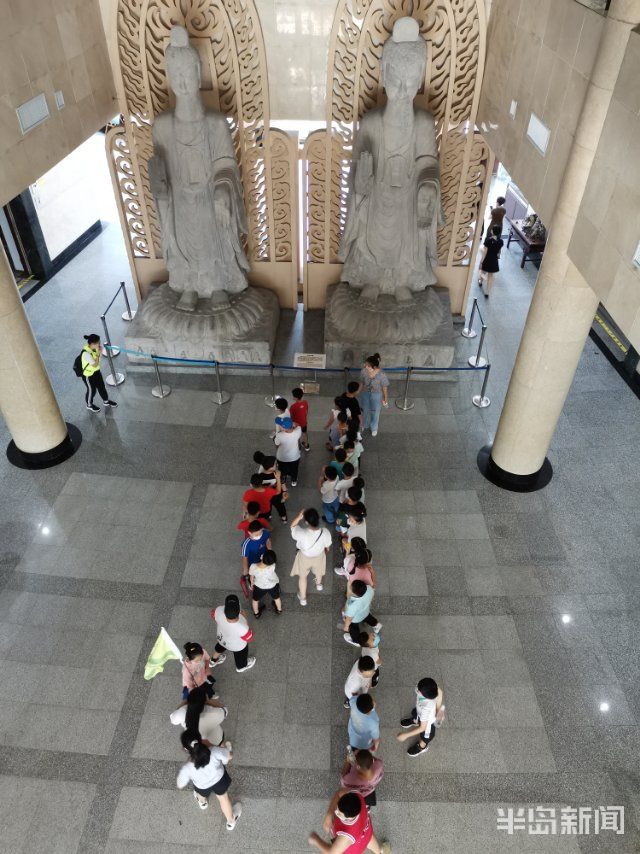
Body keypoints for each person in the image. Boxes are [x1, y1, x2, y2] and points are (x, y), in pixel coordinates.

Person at [176, 736, 242, 829]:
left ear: (187, 750)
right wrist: (224, 749)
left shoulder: (187, 767)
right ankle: (230, 821)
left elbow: (180, 784)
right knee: (223, 799)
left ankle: (203, 803)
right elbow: (229, 757)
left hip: (202, 786)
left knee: (200, 793)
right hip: (220, 780)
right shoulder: (214, 751)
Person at [309, 791, 390, 853]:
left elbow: (332, 852)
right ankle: (380, 851)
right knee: (371, 842)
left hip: (354, 848)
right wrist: (330, 814)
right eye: (337, 809)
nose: (336, 812)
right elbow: (339, 793)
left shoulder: (347, 836)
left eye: (339, 814)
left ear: (350, 817)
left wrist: (316, 840)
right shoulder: (357, 797)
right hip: (366, 832)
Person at [290, 508, 332, 606]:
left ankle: (303, 598)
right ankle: (319, 585)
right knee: (319, 571)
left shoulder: (301, 533)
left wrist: (298, 517)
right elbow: (328, 547)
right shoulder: (325, 532)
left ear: (306, 522)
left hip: (304, 557)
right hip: (319, 556)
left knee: (303, 577)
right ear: (318, 519)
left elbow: (292, 526)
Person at [396, 676, 444, 757]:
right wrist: (438, 709)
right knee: (416, 715)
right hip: (420, 713)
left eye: (418, 689)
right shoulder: (432, 688)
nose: (417, 688)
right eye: (418, 685)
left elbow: (423, 728)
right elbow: (440, 692)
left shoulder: (427, 707)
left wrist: (405, 735)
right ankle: (415, 721)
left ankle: (422, 747)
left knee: (425, 738)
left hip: (427, 725)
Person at [210, 593, 256, 672]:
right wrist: (245, 618)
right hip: (237, 646)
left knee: (219, 647)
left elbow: (213, 615)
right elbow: (249, 638)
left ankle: (213, 661)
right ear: (239, 611)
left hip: (222, 639)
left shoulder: (218, 610)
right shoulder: (242, 627)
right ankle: (241, 667)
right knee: (240, 657)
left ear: (225, 609)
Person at [80, 334, 118, 412]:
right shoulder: (86, 353)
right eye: (98, 342)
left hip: (96, 372)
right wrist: (98, 354)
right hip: (89, 375)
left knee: (101, 387)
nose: (99, 344)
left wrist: (98, 352)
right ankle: (89, 405)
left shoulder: (94, 349)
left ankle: (106, 401)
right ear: (92, 344)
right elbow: (95, 364)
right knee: (92, 390)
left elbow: (98, 362)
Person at [356, 354, 388, 437]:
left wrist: (385, 398)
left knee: (375, 412)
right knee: (364, 410)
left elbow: (384, 387)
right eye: (365, 364)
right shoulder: (363, 371)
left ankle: (374, 427)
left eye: (368, 365)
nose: (366, 367)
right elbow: (362, 382)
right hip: (365, 393)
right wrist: (358, 391)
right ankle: (363, 425)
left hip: (376, 394)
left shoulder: (382, 374)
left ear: (374, 367)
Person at [342, 580, 381, 646]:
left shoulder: (351, 606)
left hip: (355, 619)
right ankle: (376, 625)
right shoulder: (369, 588)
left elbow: (349, 619)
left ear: (354, 593)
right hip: (365, 611)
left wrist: (346, 627)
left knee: (353, 628)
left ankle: (356, 641)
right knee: (368, 617)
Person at [253, 451, 289, 523]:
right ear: (270, 467)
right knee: (280, 506)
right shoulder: (278, 473)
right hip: (277, 495)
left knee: (267, 505)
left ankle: (268, 516)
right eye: (275, 464)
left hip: (265, 495)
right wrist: (284, 492)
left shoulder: (260, 476)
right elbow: (283, 484)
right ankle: (283, 517)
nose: (276, 464)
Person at [249, 548, 283, 617]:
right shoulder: (272, 565)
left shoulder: (253, 566)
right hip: (272, 585)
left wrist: (252, 584)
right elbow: (267, 559)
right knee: (277, 598)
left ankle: (256, 613)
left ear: (262, 557)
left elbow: (251, 577)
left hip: (259, 587)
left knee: (255, 600)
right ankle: (279, 610)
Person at [274, 417, 302, 486]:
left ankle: (283, 479)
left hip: (282, 458)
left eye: (281, 425)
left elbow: (276, 445)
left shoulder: (279, 435)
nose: (279, 425)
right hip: (295, 457)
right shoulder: (298, 431)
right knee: (294, 469)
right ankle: (294, 481)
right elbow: (298, 425)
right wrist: (293, 424)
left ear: (284, 428)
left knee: (282, 469)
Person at [478, 224, 504, 297]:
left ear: (492, 231)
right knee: (491, 276)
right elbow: (499, 251)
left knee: (482, 272)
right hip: (494, 260)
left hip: (487, 259)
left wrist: (481, 262)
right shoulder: (501, 241)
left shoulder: (488, 240)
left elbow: (484, 252)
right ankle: (487, 292)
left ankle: (480, 281)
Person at [290, 387, 310, 451]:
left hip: (296, 424)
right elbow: (306, 411)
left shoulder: (293, 407)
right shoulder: (305, 402)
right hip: (304, 422)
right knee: (304, 433)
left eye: (293, 396)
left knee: (297, 435)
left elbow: (291, 417)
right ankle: (306, 446)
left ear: (295, 397)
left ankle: (298, 447)